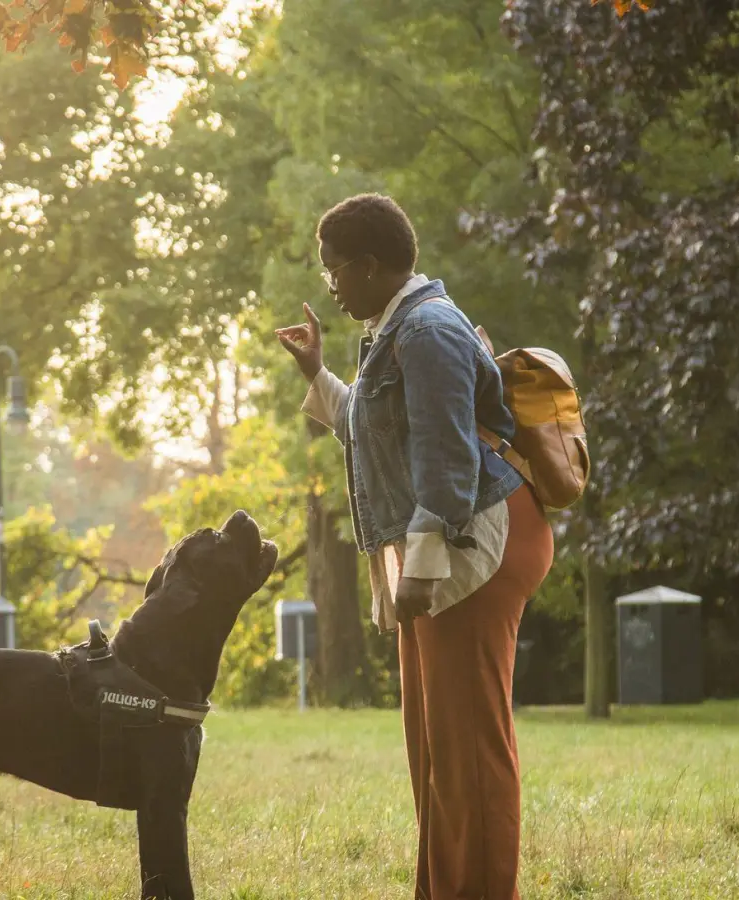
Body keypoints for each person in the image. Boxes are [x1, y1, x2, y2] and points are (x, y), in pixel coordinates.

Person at [275, 193, 554, 899]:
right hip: (445, 542)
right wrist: (317, 373)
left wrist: (420, 571)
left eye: (334, 270)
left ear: (370, 265)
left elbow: (446, 459)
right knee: (434, 752)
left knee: (468, 751)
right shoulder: (397, 328)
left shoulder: (428, 331)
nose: (329, 285)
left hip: (472, 544)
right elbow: (379, 443)